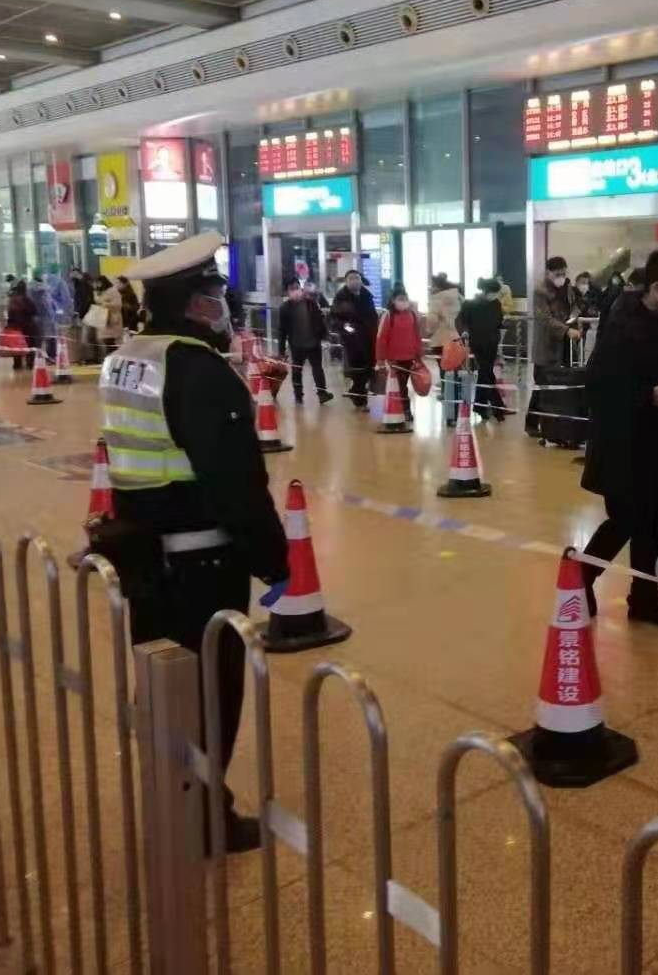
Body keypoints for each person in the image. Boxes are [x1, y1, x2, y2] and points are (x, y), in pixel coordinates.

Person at [100, 231, 289, 853]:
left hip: (144, 559)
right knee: (212, 692)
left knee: (165, 689)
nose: (222, 303)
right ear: (193, 301)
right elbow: (236, 483)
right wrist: (273, 559)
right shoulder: (199, 370)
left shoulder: (128, 358)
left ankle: (171, 800)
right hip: (202, 564)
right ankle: (205, 818)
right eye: (215, 291)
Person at [581, 250, 658, 629]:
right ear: (657, 287)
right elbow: (598, 383)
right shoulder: (622, 322)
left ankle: (644, 600)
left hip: (653, 438)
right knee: (624, 519)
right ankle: (580, 576)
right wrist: (645, 395)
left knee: (651, 524)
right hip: (619, 440)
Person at [528, 256, 578, 434]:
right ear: (548, 273)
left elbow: (574, 307)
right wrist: (566, 330)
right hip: (546, 345)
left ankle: (553, 426)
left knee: (557, 387)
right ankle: (532, 424)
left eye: (563, 273)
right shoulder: (540, 291)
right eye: (558, 274)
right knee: (542, 387)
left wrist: (574, 318)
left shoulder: (567, 288)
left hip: (563, 345)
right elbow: (544, 318)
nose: (561, 277)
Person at [458, 277, 507, 421]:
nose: (496, 295)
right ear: (487, 291)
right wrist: (464, 332)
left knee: (485, 374)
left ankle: (482, 407)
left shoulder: (496, 304)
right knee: (486, 373)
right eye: (495, 292)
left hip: (492, 344)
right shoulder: (470, 304)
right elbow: (461, 321)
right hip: (478, 344)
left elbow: (499, 322)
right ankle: (496, 408)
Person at [277, 282, 332, 405]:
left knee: (317, 369)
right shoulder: (285, 308)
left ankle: (322, 393)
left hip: (313, 343)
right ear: (288, 292)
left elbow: (319, 320)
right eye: (292, 289)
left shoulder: (311, 303)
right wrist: (281, 350)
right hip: (297, 345)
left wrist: (324, 336)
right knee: (297, 370)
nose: (295, 291)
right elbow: (282, 330)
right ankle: (298, 395)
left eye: (297, 288)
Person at [330, 269, 377, 410]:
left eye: (357, 278)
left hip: (368, 337)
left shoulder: (367, 296)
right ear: (346, 281)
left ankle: (355, 392)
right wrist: (345, 327)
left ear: (361, 280)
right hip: (352, 339)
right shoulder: (341, 297)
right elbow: (333, 318)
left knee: (368, 369)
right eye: (351, 278)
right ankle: (361, 401)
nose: (354, 281)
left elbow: (372, 315)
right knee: (358, 370)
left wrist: (376, 329)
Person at [376, 286, 423, 421]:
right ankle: (405, 410)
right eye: (400, 299)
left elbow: (416, 335)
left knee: (403, 384)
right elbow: (381, 338)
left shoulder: (412, 315)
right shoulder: (388, 316)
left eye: (405, 299)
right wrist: (380, 359)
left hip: (409, 357)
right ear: (393, 300)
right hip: (394, 359)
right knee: (400, 386)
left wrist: (419, 353)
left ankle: (401, 409)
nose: (403, 302)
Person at [428, 273, 464, 423]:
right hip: (457, 338)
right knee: (456, 369)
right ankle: (458, 394)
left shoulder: (436, 299)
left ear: (437, 286)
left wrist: (429, 331)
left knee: (444, 370)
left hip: (441, 340)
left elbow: (432, 320)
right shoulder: (458, 297)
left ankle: (447, 395)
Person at [5, 279, 36, 370]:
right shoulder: (27, 300)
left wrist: (9, 325)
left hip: (15, 327)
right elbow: (34, 311)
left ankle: (17, 363)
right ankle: (30, 362)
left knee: (16, 345)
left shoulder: (12, 300)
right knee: (30, 345)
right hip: (28, 326)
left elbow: (10, 314)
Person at [28, 272, 59, 362]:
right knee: (48, 337)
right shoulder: (38, 288)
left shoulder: (32, 288)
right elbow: (46, 292)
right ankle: (49, 356)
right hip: (42, 316)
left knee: (40, 339)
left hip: (40, 316)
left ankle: (39, 357)